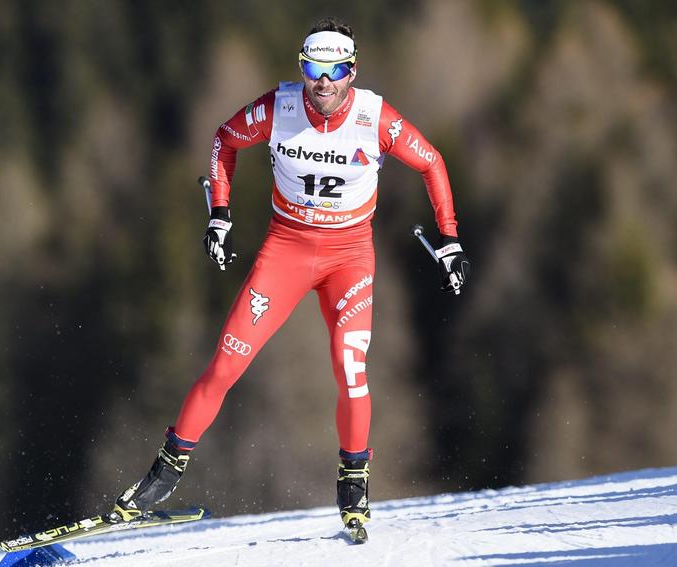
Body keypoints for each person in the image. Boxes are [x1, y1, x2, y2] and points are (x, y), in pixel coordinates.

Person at [110, 17, 471, 535]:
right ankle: (162, 475)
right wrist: (219, 212)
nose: (323, 82)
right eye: (313, 68)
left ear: (353, 70)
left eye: (336, 69)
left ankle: (353, 481)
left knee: (351, 369)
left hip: (349, 258)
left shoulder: (373, 117)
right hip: (287, 250)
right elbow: (223, 142)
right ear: (301, 67)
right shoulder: (277, 109)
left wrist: (451, 238)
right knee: (225, 365)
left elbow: (431, 162)